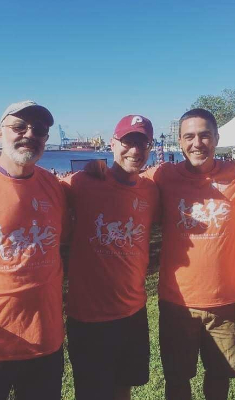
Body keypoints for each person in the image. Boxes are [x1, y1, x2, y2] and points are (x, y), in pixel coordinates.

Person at [143, 108, 235, 400]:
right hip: (177, 301)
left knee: (219, 377)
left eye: (205, 135)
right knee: (177, 378)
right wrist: (99, 170)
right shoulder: (161, 175)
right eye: (189, 137)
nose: (198, 143)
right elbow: (123, 182)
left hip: (225, 302)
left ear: (216, 138)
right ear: (180, 142)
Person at [61, 115, 159, 400]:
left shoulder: (151, 190)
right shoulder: (80, 183)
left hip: (133, 311)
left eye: (143, 144)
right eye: (128, 142)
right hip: (89, 316)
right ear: (112, 144)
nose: (135, 151)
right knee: (91, 392)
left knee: (123, 387)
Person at [0, 101, 67, 400]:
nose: (30, 134)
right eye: (19, 127)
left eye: (39, 130)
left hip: (46, 340)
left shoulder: (53, 185)